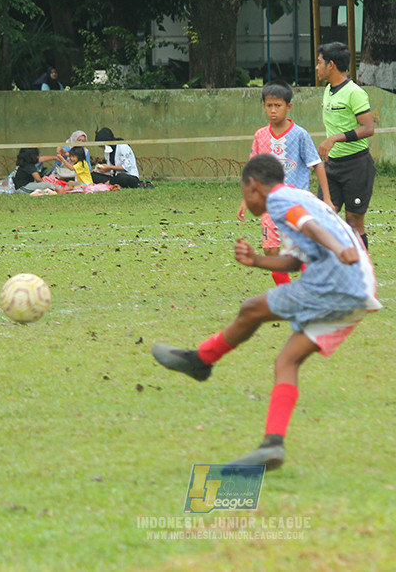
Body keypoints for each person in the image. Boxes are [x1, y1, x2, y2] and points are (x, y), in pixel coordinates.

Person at [151, 154, 381, 469]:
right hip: (360, 288)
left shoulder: (279, 200)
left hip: (335, 282)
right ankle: (272, 444)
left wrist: (339, 249)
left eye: (245, 194)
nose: (246, 201)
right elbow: (296, 261)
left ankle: (201, 360)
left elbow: (309, 225)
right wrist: (257, 260)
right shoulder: (299, 196)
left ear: (253, 186)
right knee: (286, 360)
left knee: (252, 308)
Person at [237, 80, 334, 286]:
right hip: (269, 204)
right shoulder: (260, 136)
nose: (273, 110)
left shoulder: (300, 134)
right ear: (263, 106)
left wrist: (325, 198)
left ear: (288, 107)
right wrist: (247, 200)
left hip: (296, 204)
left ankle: (312, 287)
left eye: (278, 105)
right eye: (269, 106)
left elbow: (317, 164)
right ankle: (289, 291)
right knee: (271, 252)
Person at [315, 42, 376, 250]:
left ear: (331, 65)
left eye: (319, 62)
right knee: (322, 217)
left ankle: (361, 271)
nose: (317, 67)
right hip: (332, 167)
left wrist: (334, 138)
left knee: (354, 222)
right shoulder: (328, 91)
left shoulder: (354, 93)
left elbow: (368, 128)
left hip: (356, 166)